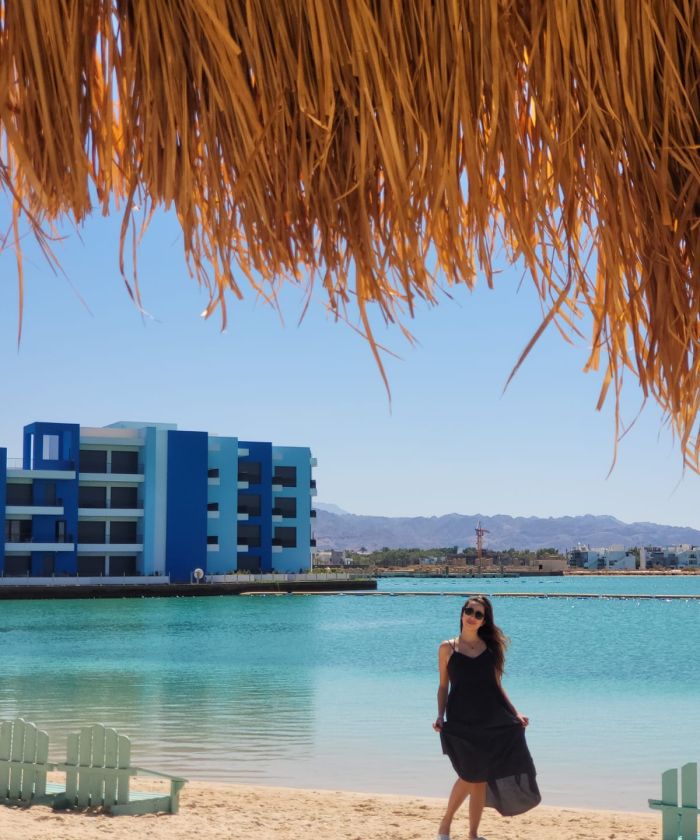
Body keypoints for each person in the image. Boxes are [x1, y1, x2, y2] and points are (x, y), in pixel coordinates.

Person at [433, 595, 540, 840]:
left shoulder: (490, 649)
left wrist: (515, 713)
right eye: (468, 611)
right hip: (460, 720)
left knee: (477, 777)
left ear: (484, 621)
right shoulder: (446, 648)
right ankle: (445, 826)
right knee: (469, 775)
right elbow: (442, 686)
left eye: (478, 614)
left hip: (489, 718)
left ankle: (470, 834)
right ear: (462, 613)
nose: (472, 617)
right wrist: (439, 715)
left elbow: (497, 686)